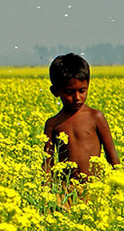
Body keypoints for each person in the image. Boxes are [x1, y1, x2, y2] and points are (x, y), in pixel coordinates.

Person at [43, 53, 119, 181]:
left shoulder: (95, 117)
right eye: (69, 92)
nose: (77, 98)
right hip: (65, 191)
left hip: (94, 189)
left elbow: (112, 157)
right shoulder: (53, 124)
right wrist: (47, 192)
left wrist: (120, 184)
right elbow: (47, 164)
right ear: (55, 91)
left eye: (82, 91)